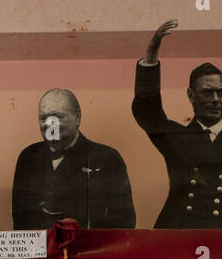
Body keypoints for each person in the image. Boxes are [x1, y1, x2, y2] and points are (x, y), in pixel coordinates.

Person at [131, 19, 222, 229]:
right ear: (191, 95)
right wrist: (150, 59)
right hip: (179, 233)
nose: (215, 99)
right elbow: (147, 112)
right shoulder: (176, 137)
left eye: (220, 92)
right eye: (207, 92)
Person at [11, 89, 135, 229]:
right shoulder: (28, 157)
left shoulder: (108, 158)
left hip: (89, 249)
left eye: (57, 116)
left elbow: (124, 223)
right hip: (41, 250)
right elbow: (20, 224)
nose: (49, 124)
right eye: (43, 117)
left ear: (77, 117)